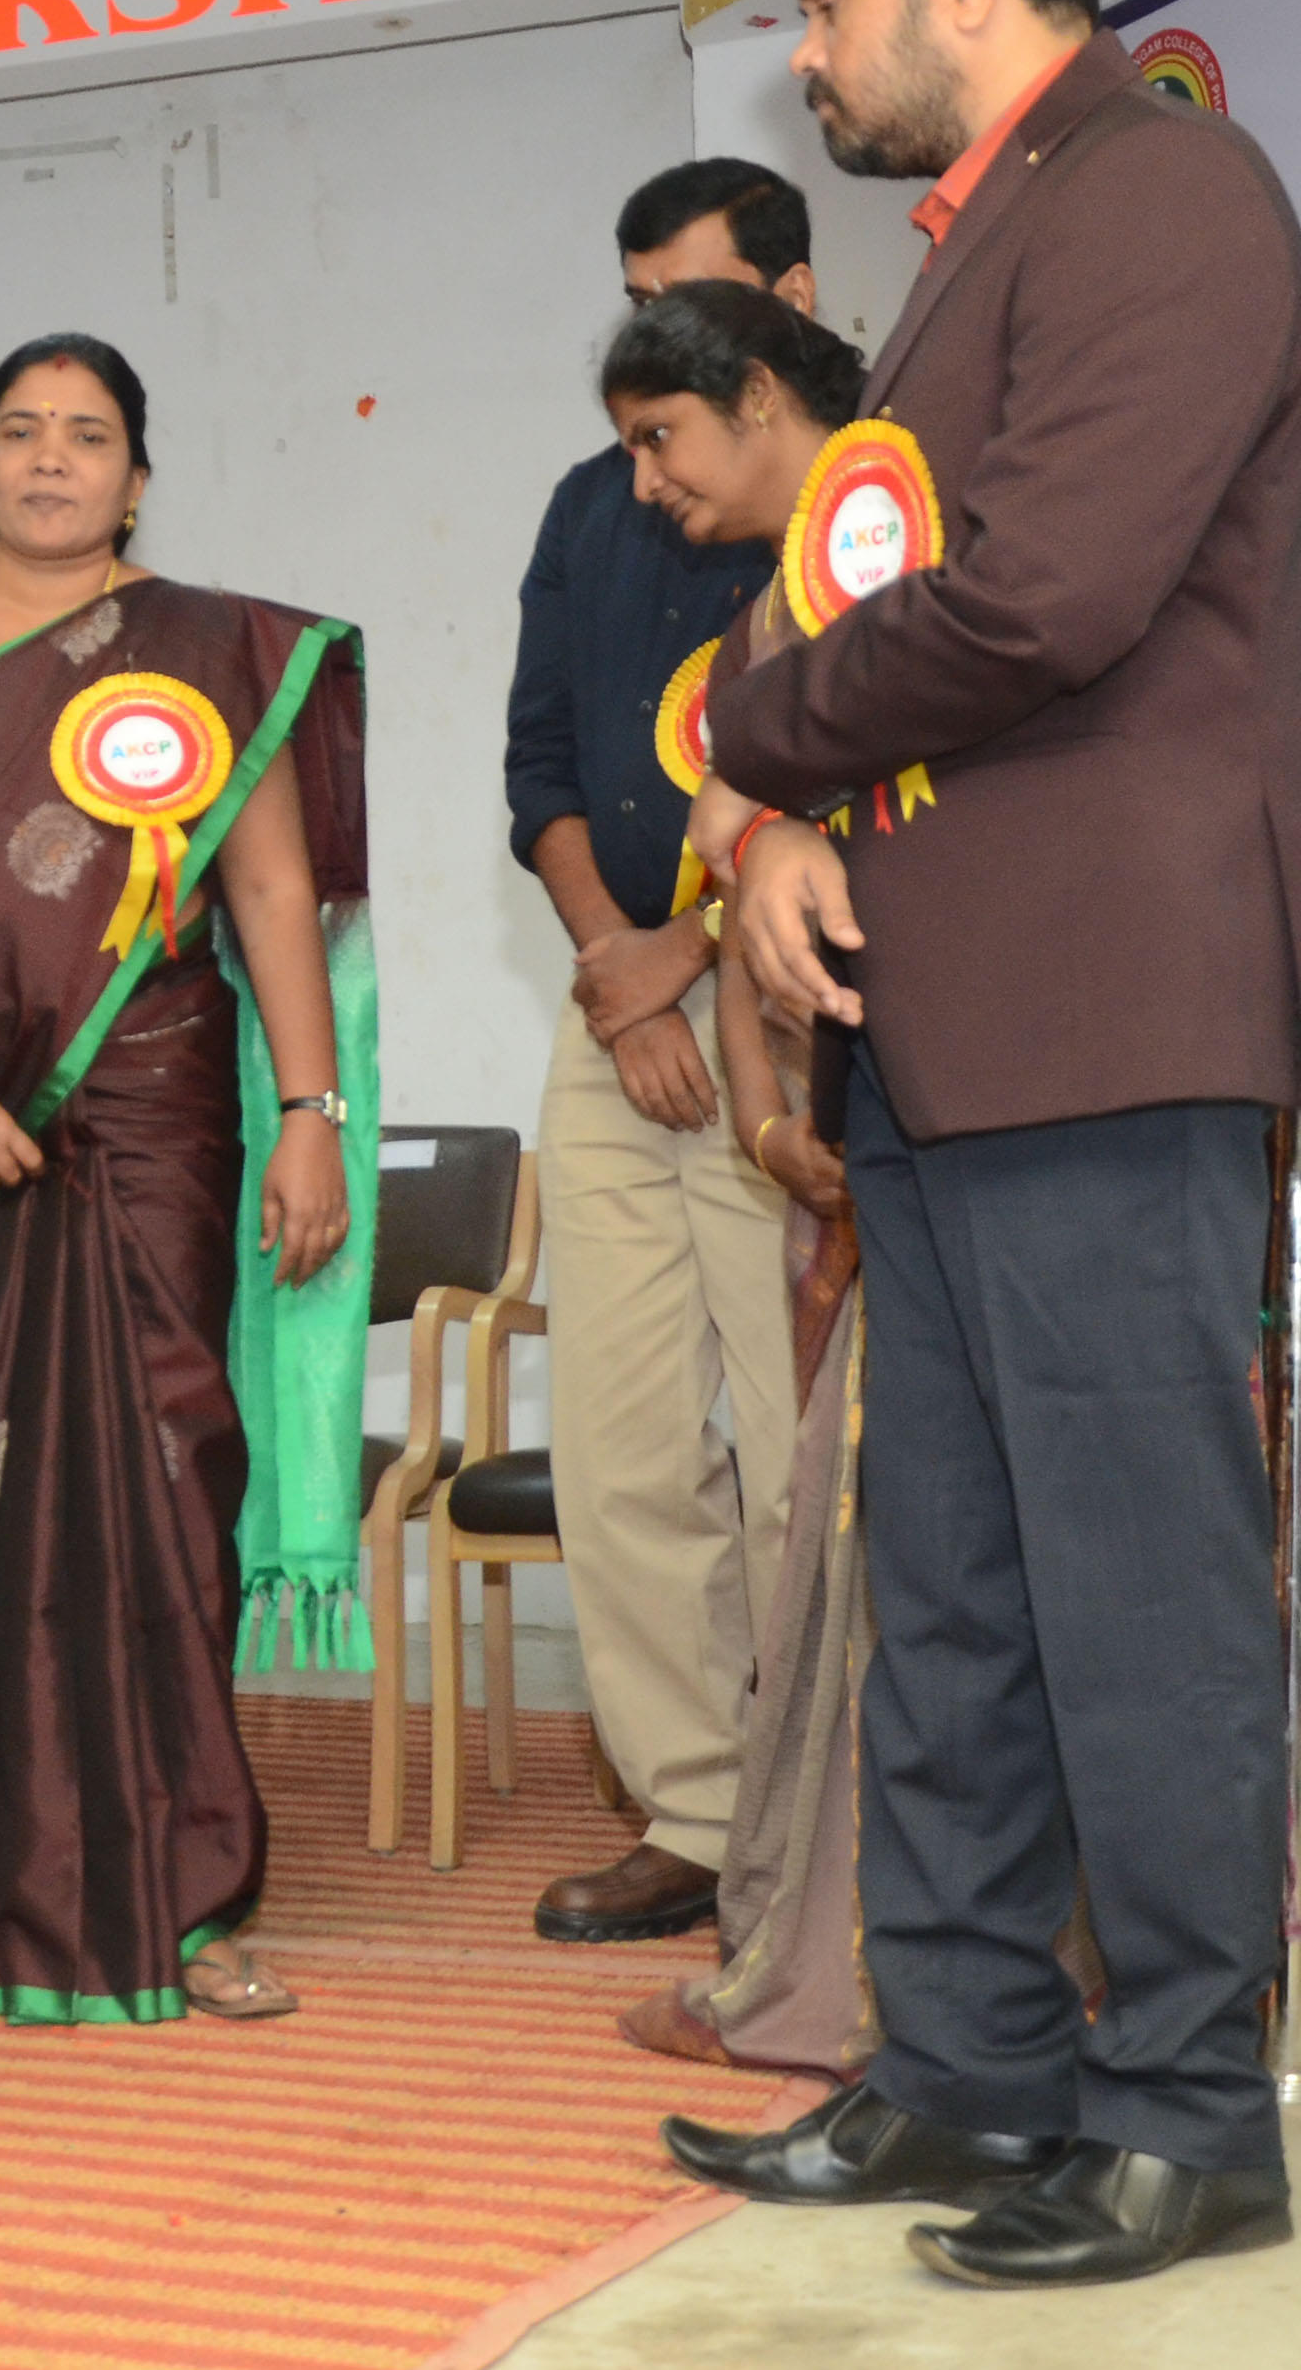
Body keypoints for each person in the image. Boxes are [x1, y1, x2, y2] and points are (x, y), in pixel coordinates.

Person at [667, 0, 1301, 2289]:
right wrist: (780, 811)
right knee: (950, 1583)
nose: (807, 53)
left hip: (1104, 999)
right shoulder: (976, 248)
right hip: (942, 1025)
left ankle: (1184, 2105)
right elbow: (906, 614)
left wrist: (759, 744)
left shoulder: (1159, 190)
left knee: (1132, 1580)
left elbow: (1048, 593)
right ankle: (966, 2064)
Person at [0, 331, 374, 2024]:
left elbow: (266, 897)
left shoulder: (207, 651)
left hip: (162, 1108)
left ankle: (187, 1896)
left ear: (135, 470)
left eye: (82, 434)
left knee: (169, 1487)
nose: (43, 461)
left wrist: (312, 1106)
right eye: (13, 432)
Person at [499, 160, 818, 1946]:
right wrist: (620, 967)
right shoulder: (590, 500)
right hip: (609, 994)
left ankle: (816, 1817)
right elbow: (539, 759)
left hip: (774, 994)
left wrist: (690, 950)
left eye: (687, 304)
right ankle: (693, 1813)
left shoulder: (865, 490)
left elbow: (831, 763)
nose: (654, 342)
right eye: (633, 299)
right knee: (619, 1450)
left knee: (792, 1449)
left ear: (783, 305)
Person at [585, 281, 875, 2077]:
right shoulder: (771, 612)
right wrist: (773, 1133)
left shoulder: (892, 550)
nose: (639, 483)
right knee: (851, 1550)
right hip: (861, 1159)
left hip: (994, 1131)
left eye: (658, 438)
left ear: (756, 391)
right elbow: (743, 888)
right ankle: (815, 1946)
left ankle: (909, 1965)